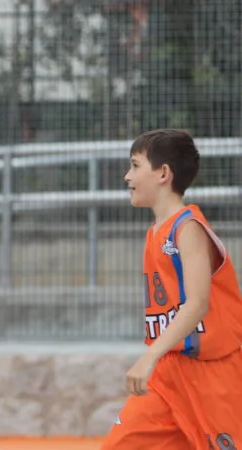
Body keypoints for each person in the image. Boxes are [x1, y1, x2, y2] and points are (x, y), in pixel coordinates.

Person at [102, 129, 242, 450]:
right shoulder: (155, 232)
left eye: (135, 165)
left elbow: (197, 304)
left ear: (163, 173)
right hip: (168, 374)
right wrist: (157, 356)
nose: (127, 176)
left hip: (211, 373)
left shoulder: (187, 227)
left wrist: (150, 355)